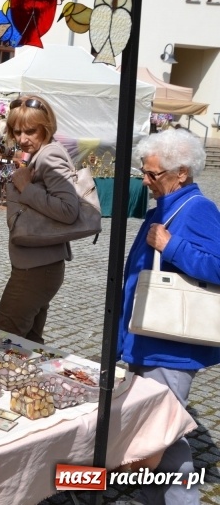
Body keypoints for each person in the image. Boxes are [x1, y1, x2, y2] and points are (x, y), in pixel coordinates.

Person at [117, 129, 220, 505]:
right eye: (143, 171)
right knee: (155, 430)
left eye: (152, 173)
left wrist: (171, 245)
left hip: (171, 346)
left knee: (162, 433)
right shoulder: (168, 205)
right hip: (151, 338)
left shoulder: (197, 209)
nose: (145, 180)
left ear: (182, 173)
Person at [0, 96, 80, 343]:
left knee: (4, 339)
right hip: (41, 263)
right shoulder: (42, 152)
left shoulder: (49, 155)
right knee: (28, 342)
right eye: (17, 131)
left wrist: (25, 187)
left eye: (30, 131)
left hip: (36, 268)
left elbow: (68, 210)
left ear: (46, 126)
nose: (22, 139)